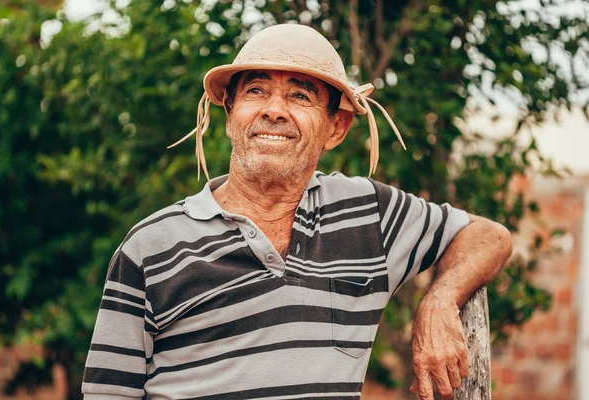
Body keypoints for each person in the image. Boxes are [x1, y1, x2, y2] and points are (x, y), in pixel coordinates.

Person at [82, 24, 512, 400]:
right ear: (230, 113)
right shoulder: (150, 247)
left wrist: (439, 299)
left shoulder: (368, 214)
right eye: (255, 91)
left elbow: (489, 236)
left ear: (335, 129)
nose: (273, 109)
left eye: (299, 95)